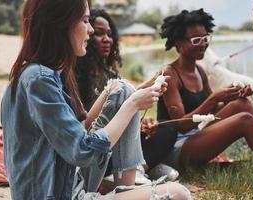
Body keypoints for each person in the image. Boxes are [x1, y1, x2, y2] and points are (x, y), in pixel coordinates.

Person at [0, 0, 191, 199]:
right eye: (84, 21)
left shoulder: (46, 73)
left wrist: (127, 95)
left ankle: (126, 188)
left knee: (123, 88)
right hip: (58, 194)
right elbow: (83, 151)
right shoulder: (39, 79)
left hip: (68, 182)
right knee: (178, 194)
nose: (90, 30)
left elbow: (75, 132)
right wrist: (132, 105)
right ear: (60, 24)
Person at [153, 8, 253, 176]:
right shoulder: (170, 74)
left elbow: (214, 110)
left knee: (242, 105)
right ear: (179, 44)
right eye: (196, 40)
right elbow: (181, 125)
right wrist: (213, 98)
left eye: (205, 38)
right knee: (244, 120)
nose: (203, 44)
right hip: (176, 149)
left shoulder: (199, 71)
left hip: (194, 139)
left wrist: (231, 96)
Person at [75, 9, 179, 188]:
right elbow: (86, 125)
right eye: (99, 33)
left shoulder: (110, 73)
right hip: (97, 145)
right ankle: (138, 170)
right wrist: (134, 99)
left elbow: (122, 108)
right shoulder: (74, 75)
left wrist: (140, 120)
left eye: (109, 34)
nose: (106, 39)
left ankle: (138, 169)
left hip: (118, 141)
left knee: (167, 129)